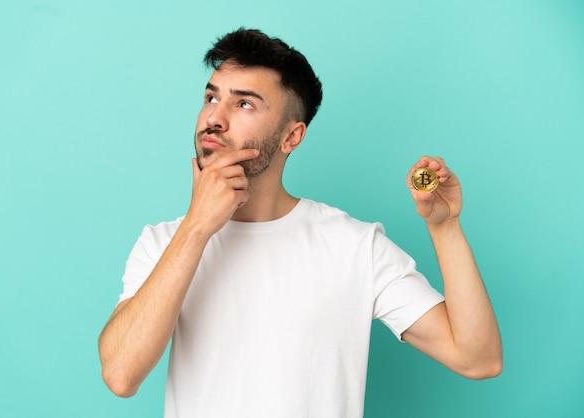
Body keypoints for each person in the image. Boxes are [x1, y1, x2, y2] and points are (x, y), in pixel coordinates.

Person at [98, 28, 502, 417]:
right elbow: (120, 375)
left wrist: (445, 227)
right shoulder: (163, 242)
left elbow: (477, 358)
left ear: (292, 137)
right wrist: (197, 227)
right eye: (211, 97)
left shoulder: (355, 246)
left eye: (244, 104)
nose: (214, 118)